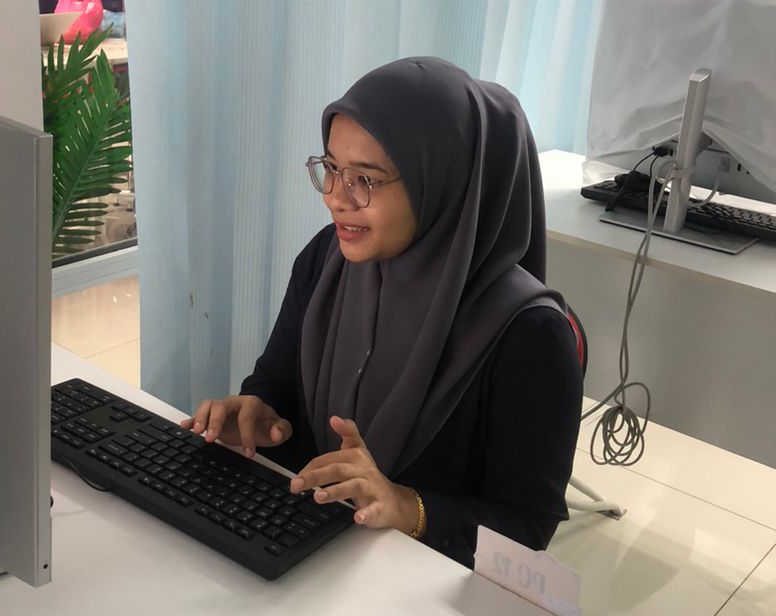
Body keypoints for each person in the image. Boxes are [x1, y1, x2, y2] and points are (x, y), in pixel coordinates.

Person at [181, 57, 583, 568]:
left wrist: (404, 507)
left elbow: (528, 527)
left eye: (365, 180)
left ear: (441, 184)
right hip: (305, 552)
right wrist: (258, 414)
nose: (335, 198)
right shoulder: (326, 261)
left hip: (418, 586)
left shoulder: (531, 334)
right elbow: (277, 383)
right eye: (331, 169)